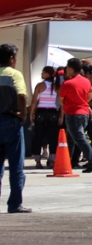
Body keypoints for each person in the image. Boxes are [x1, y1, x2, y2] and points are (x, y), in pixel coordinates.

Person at [0, 43, 31, 213]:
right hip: (11, 122)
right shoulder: (14, 74)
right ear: (11, 58)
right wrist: (23, 114)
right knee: (16, 166)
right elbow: (21, 94)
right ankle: (14, 204)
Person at [58, 58, 92, 173]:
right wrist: (81, 102)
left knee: (79, 138)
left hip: (72, 114)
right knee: (72, 138)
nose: (66, 70)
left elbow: (61, 100)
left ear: (71, 68)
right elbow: (89, 97)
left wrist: (70, 103)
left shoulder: (67, 83)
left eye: (67, 68)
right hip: (84, 113)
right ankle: (68, 162)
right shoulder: (86, 81)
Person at [29, 66, 60, 169]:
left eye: (43, 72)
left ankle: (38, 161)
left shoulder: (40, 85)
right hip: (53, 112)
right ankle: (52, 160)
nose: (41, 74)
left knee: (39, 136)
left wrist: (31, 113)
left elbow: (34, 101)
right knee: (52, 137)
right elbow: (61, 102)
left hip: (41, 111)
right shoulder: (56, 86)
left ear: (47, 74)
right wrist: (61, 116)